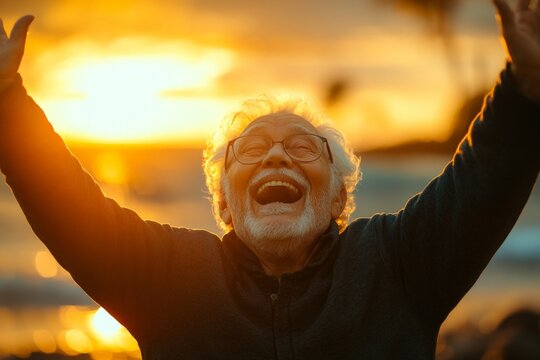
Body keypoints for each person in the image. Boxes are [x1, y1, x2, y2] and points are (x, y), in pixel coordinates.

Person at [0, 0, 538, 358]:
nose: (276, 155)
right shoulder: (170, 277)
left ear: (338, 197)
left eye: (304, 147)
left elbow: (484, 178)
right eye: (251, 149)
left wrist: (527, 82)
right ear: (226, 205)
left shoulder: (397, 264)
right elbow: (69, 208)